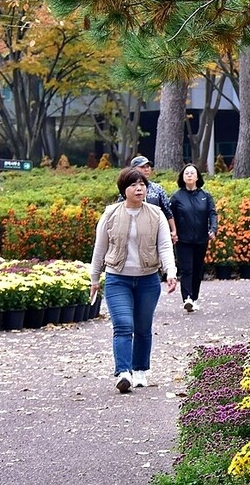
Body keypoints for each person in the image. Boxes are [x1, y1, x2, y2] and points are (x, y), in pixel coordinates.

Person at [90, 167, 177, 393]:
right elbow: (100, 248)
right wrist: (94, 278)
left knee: (143, 327)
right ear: (123, 189)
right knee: (123, 325)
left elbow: (165, 246)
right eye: (133, 185)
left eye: (142, 185)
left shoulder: (156, 214)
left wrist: (170, 272)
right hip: (117, 278)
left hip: (148, 279)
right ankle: (123, 372)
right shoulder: (110, 214)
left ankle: (140, 370)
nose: (139, 189)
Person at [169, 163, 218, 313]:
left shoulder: (205, 196)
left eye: (192, 173)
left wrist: (213, 229)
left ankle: (194, 297)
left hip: (201, 239)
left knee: (197, 270)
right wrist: (172, 232)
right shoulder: (176, 197)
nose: (189, 175)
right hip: (183, 240)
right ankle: (187, 299)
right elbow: (169, 216)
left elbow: (212, 214)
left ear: (197, 176)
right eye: (186, 173)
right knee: (186, 269)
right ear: (182, 178)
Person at [120, 156, 178, 244]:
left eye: (148, 167)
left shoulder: (157, 188)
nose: (146, 169)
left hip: (156, 231)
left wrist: (173, 231)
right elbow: (120, 210)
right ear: (133, 169)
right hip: (132, 232)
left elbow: (167, 210)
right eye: (142, 167)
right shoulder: (127, 188)